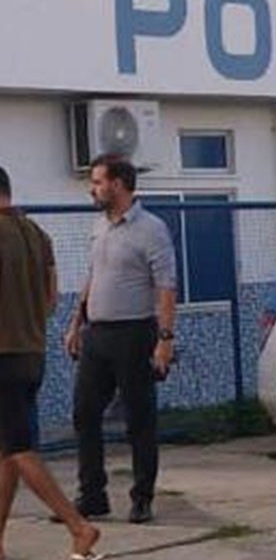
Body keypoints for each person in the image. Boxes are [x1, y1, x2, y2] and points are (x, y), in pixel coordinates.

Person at [0, 166, 104, 560]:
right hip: (32, 352)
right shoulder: (36, 234)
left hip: (3, 355)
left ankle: (78, 527)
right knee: (8, 450)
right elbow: (52, 296)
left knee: (21, 450)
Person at [64, 154, 177, 524]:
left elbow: (166, 287)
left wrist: (164, 339)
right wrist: (76, 323)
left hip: (134, 332)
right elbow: (92, 277)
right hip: (98, 333)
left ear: (117, 184)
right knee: (85, 413)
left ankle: (142, 497)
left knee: (139, 418)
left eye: (97, 182)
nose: (92, 189)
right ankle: (92, 494)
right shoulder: (100, 226)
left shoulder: (151, 229)